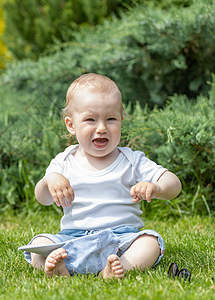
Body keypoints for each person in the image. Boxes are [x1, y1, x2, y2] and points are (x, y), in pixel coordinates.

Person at [23, 73, 182, 279]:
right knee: (39, 244)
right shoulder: (64, 162)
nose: (102, 128)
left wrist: (157, 188)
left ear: (121, 121)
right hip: (72, 240)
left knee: (150, 242)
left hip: (122, 241)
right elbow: (42, 198)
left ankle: (119, 267)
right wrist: (50, 180)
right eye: (90, 119)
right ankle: (59, 266)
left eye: (111, 119)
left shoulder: (131, 160)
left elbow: (174, 184)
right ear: (71, 125)